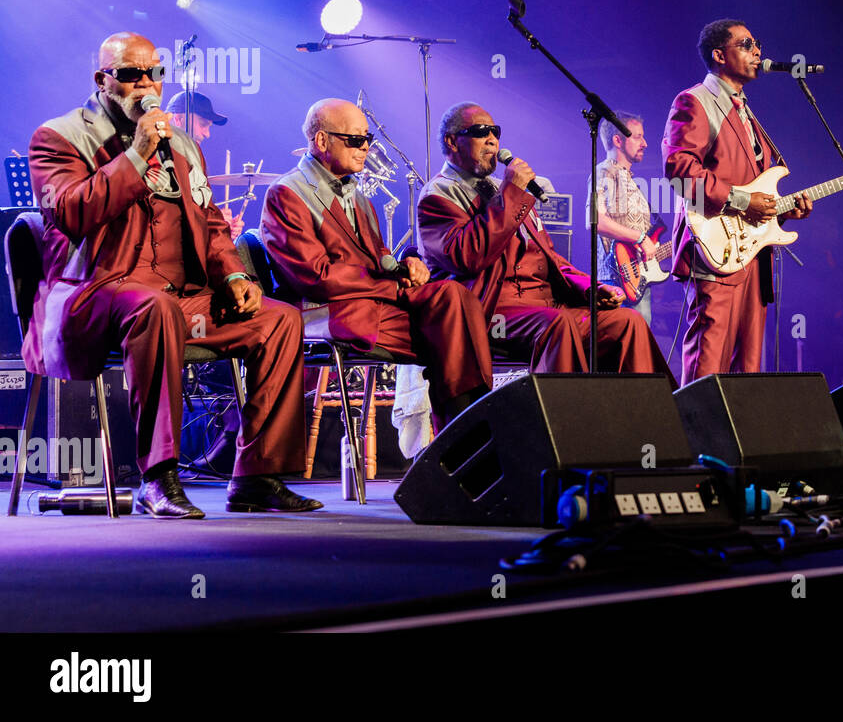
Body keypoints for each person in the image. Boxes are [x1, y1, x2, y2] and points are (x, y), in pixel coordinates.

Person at [26, 32, 317, 518]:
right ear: (103, 80)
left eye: (155, 73)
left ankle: (257, 475)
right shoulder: (59, 137)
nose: (146, 85)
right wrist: (137, 155)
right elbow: (70, 213)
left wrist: (232, 277)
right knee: (153, 308)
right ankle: (157, 477)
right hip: (99, 292)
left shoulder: (181, 143)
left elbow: (210, 221)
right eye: (131, 75)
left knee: (280, 320)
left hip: (179, 297)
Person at [261, 99, 493, 433]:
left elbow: (379, 258)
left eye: (368, 138)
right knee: (453, 336)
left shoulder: (360, 199)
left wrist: (405, 268)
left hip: (371, 302)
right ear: (322, 141)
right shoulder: (287, 193)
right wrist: (390, 284)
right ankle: (467, 436)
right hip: (327, 310)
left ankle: (464, 434)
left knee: (452, 295)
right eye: (355, 139)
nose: (366, 146)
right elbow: (315, 276)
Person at [418, 102, 671, 375]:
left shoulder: (502, 190)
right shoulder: (439, 194)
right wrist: (511, 194)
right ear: (452, 142)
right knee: (559, 324)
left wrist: (590, 288)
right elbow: (467, 256)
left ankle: (644, 415)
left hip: (547, 307)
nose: (492, 139)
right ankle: (565, 416)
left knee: (627, 322)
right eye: (481, 131)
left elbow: (552, 259)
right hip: (493, 313)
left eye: (496, 131)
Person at [662, 19, 812, 384]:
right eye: (746, 44)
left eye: (756, 43)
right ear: (719, 55)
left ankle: (739, 441)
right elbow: (679, 169)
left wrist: (782, 210)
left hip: (751, 255)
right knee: (708, 361)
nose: (757, 51)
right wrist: (744, 200)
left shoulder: (748, 113)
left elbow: (758, 190)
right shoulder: (695, 101)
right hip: (714, 249)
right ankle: (695, 439)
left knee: (748, 369)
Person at [589, 112, 657, 324]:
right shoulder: (603, 171)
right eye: (637, 137)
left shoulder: (629, 180)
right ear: (617, 140)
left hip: (637, 280)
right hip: (617, 281)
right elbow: (598, 221)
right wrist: (640, 238)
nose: (645, 143)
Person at [167, 90, 244, 238]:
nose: (207, 134)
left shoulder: (194, 159)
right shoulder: (156, 157)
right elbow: (165, 218)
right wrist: (212, 220)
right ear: (178, 119)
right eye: (203, 124)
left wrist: (221, 228)